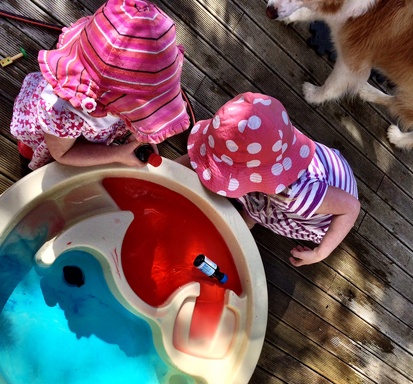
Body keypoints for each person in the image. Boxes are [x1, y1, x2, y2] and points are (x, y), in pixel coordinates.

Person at [176, 92, 360, 267]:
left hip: (326, 210)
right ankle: (250, 216)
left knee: (270, 206)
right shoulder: (268, 131)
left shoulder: (296, 195)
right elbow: (199, 159)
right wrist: (166, 169)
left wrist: (319, 253)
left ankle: (250, 218)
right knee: (259, 201)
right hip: (307, 166)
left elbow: (351, 208)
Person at [10, 0, 190, 171]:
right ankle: (27, 152)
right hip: (54, 140)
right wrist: (116, 154)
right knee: (33, 154)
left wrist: (140, 133)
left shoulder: (114, 87)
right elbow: (62, 154)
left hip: (85, 135)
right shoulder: (62, 112)